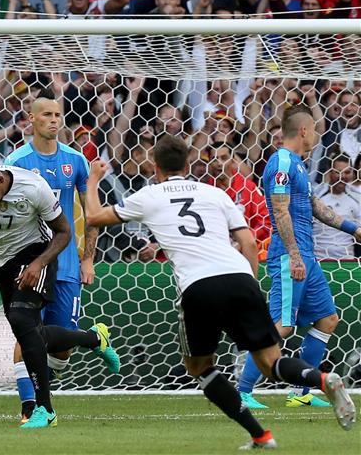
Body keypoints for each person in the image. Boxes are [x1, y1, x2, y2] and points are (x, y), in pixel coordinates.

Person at [85, 134, 355, 448]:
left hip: (198, 286)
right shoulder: (215, 193)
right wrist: (251, 286)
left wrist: (93, 180)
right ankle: (321, 379)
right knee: (271, 362)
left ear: (154, 167)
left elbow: (94, 217)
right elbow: (249, 242)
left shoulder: (148, 195)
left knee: (200, 368)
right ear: (188, 164)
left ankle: (261, 435)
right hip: (239, 276)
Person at [0, 160, 117, 429]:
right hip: (1, 261)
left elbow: (63, 232)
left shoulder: (33, 187)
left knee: (21, 319)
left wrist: (38, 263)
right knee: (31, 332)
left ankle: (44, 408)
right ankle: (94, 338)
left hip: (36, 252)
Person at [3, 90, 119, 423]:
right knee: (26, 333)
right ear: (31, 120)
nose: (54, 120)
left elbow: (91, 213)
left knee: (61, 347)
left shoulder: (75, 161)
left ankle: (91, 341)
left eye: (58, 115)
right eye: (47, 115)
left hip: (66, 262)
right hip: (28, 261)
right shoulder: (16, 163)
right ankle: (32, 407)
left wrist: (88, 258)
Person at [238, 105, 361, 410]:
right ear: (304, 130)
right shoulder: (281, 161)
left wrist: (352, 228)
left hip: (308, 255)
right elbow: (279, 210)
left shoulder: (298, 164)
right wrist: (294, 256)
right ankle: (242, 390)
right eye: (316, 129)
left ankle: (300, 391)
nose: (318, 134)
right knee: (282, 325)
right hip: (290, 255)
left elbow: (315, 206)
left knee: (328, 319)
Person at [312, 155, 360, 259]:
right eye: (337, 172)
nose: (342, 176)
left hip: (347, 260)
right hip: (319, 258)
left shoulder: (357, 198)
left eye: (347, 172)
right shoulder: (316, 194)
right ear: (329, 172)